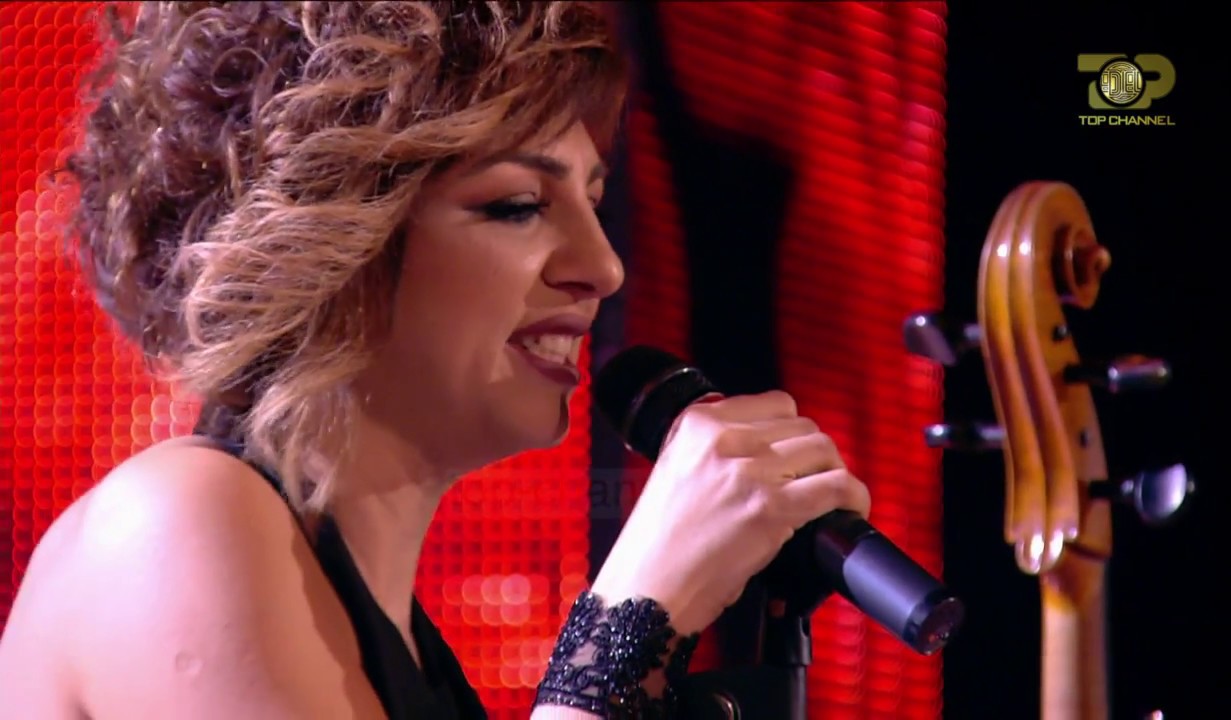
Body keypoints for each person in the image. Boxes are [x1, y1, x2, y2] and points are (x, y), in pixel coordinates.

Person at [0, 2, 871, 718]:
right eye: (519, 205)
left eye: (594, 200)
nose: (603, 268)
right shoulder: (180, 522)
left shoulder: (395, 640)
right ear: (327, 242)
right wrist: (633, 618)